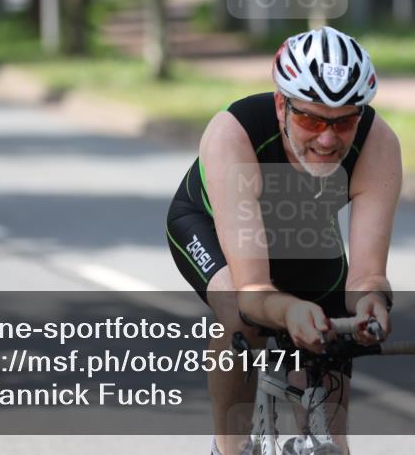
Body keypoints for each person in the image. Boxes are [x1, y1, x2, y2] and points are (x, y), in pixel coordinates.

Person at [166, 27, 399, 455]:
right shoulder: (233, 134)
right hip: (211, 228)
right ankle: (230, 446)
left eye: (344, 122)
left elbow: (368, 275)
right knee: (243, 319)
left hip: (304, 235)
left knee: (332, 401)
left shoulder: (378, 143)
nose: (327, 139)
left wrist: (371, 304)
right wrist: (288, 310)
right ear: (281, 105)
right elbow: (253, 290)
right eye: (310, 120)